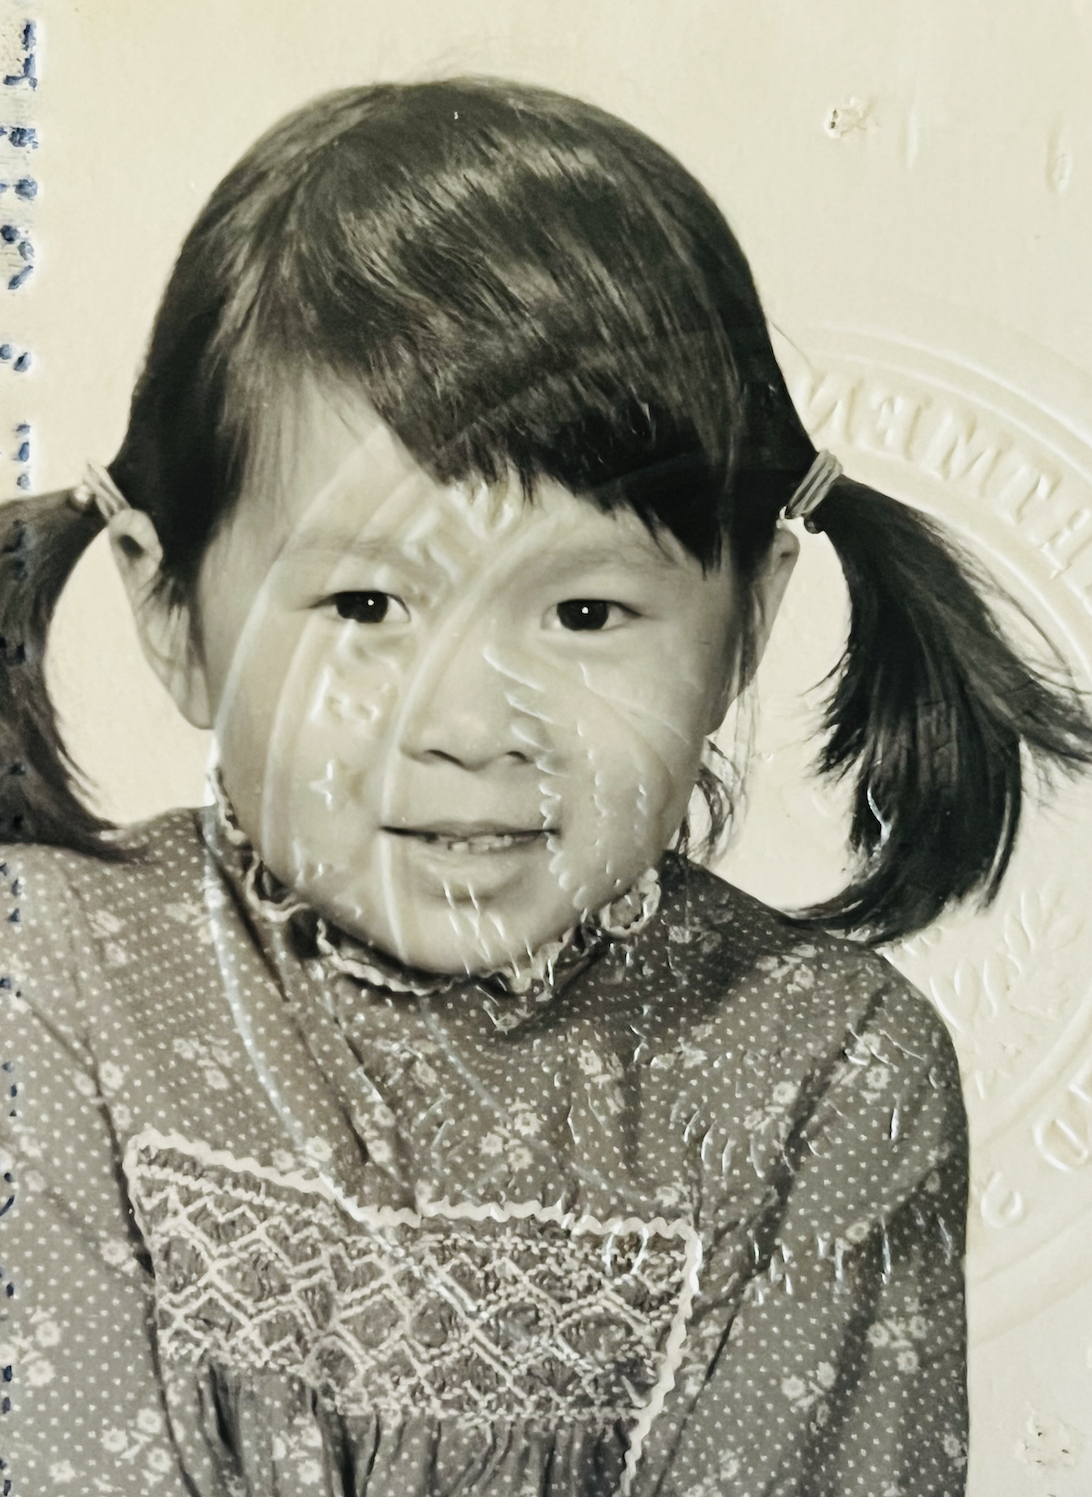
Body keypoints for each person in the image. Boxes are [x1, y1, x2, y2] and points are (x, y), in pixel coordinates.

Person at [1, 78, 1090, 1497]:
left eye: (584, 616)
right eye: (364, 605)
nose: (469, 726)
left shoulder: (823, 1077)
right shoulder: (50, 987)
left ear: (747, 623)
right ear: (172, 615)